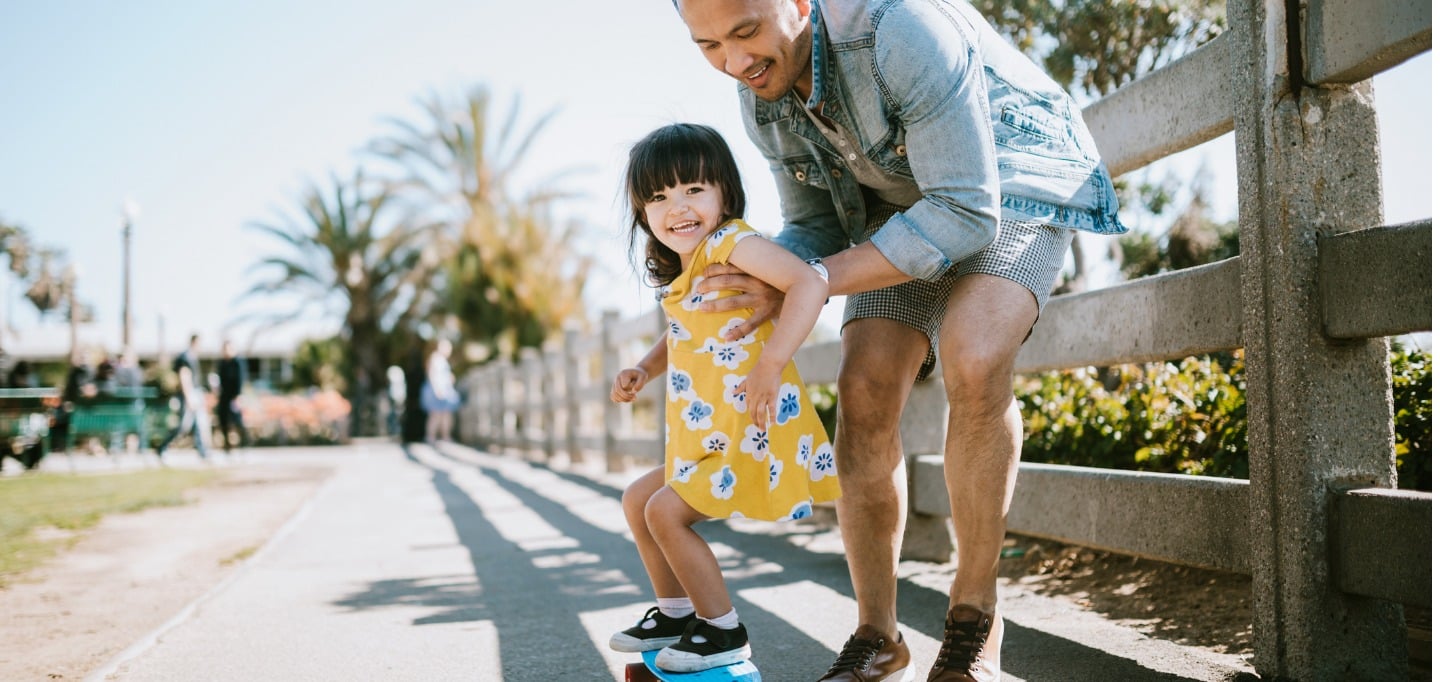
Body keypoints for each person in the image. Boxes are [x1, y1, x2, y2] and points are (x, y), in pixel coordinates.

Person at [669, 1, 1127, 680]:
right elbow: (816, 221)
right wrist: (765, 274)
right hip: (899, 207)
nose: (736, 63)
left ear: (796, 4)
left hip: (1012, 180)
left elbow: (968, 209)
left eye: (746, 32)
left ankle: (975, 626)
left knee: (974, 357)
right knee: (863, 386)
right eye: (708, 45)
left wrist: (810, 280)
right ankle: (877, 639)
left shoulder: (899, 29)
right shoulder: (760, 99)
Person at [606, 123, 841, 673]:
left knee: (666, 513)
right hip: (710, 431)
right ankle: (674, 612)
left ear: (724, 193)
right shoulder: (689, 267)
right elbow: (684, 330)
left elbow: (809, 283)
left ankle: (722, 629)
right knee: (639, 500)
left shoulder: (731, 242)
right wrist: (643, 366)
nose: (677, 207)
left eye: (693, 189)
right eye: (659, 197)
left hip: (749, 423)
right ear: (642, 212)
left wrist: (771, 363)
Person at [156, 334, 210, 461]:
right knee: (183, 426)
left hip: (195, 393)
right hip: (190, 394)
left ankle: (203, 453)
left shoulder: (192, 357)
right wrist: (189, 397)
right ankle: (162, 448)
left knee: (198, 425)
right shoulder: (186, 357)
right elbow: (184, 377)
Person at [420, 338, 459, 443]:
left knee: (444, 414)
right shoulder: (436, 358)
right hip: (438, 390)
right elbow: (432, 375)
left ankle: (444, 436)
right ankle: (431, 437)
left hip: (443, 390)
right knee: (436, 415)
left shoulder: (441, 359)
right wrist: (437, 389)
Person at [215, 340, 250, 453]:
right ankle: (227, 446)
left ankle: (244, 445)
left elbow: (240, 379)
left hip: (235, 397)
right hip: (224, 396)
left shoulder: (238, 362)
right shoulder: (222, 363)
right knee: (223, 420)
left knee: (237, 421)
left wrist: (238, 396)